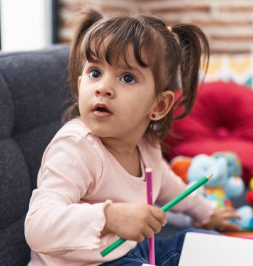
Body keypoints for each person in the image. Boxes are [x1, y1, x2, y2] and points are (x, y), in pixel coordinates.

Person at [24, 9, 241, 266]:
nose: (103, 87)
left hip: (129, 254)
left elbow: (167, 183)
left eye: (127, 77)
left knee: (201, 243)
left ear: (159, 105)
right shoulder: (75, 149)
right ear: (81, 83)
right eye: (95, 73)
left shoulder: (146, 144)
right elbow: (37, 226)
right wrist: (110, 218)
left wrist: (205, 214)